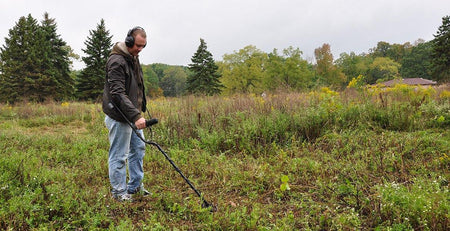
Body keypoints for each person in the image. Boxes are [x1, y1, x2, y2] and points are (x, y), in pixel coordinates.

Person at [102, 26, 149, 202]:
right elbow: (117, 93)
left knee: (138, 149)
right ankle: (119, 193)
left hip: (133, 114)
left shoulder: (133, 58)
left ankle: (135, 187)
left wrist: (140, 109)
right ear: (129, 41)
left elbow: (137, 86)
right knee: (119, 155)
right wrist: (136, 116)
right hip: (120, 115)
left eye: (143, 46)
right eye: (137, 45)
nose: (140, 49)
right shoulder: (117, 61)